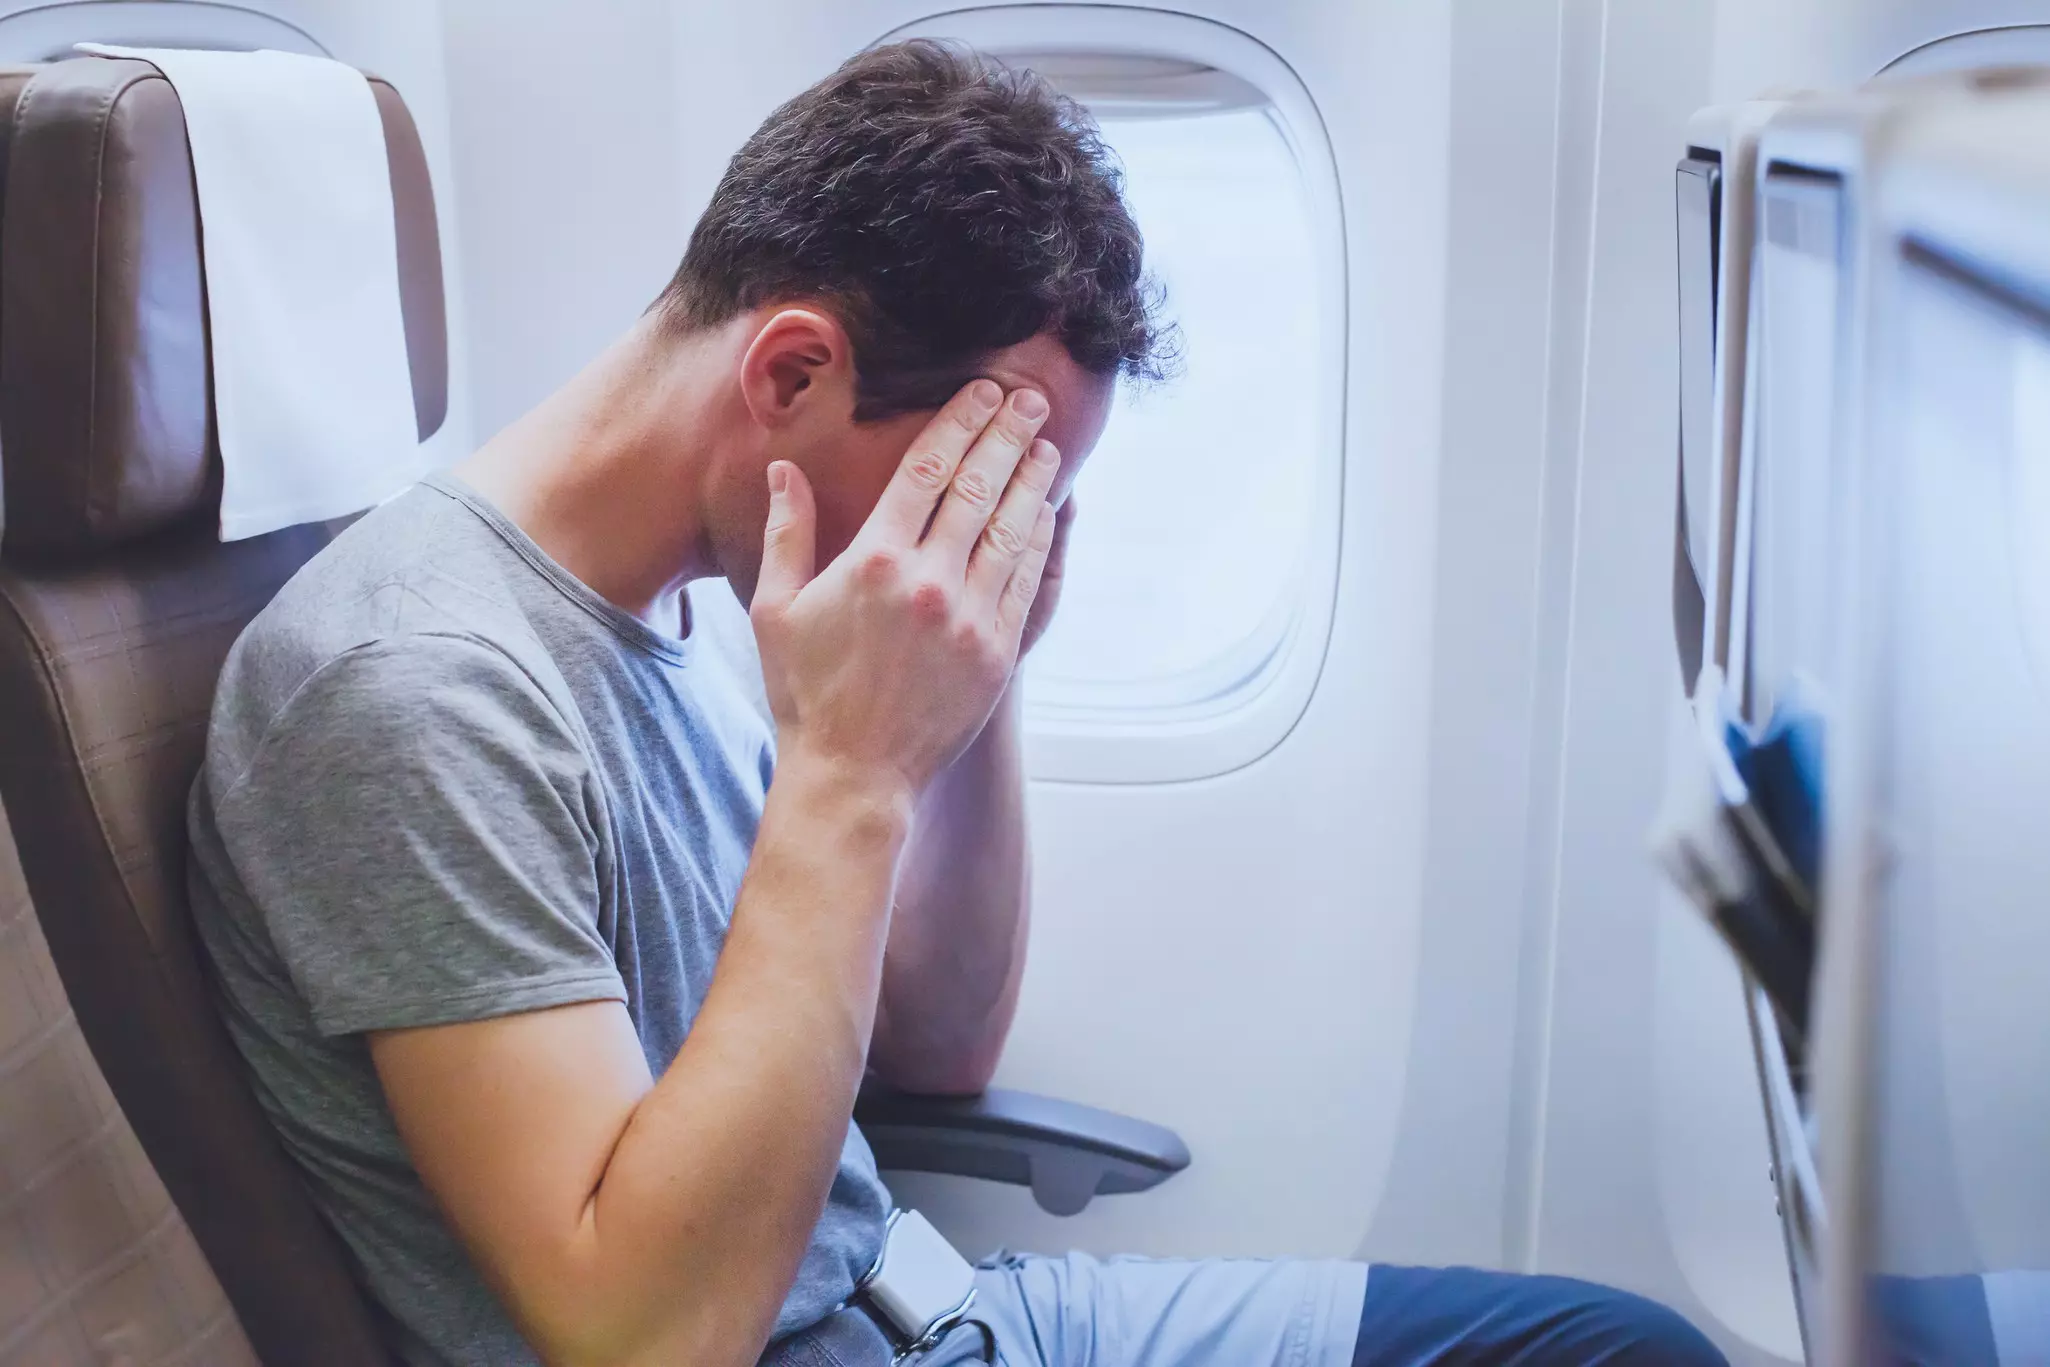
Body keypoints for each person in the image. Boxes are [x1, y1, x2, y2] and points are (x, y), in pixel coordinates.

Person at [186, 38, 1727, 1367]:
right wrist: (848, 771)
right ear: (792, 373)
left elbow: (935, 1046)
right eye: (972, 485)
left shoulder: (709, 601)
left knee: (1623, 1347)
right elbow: (641, 1334)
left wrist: (979, 688)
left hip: (946, 1306)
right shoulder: (411, 689)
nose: (979, 539)